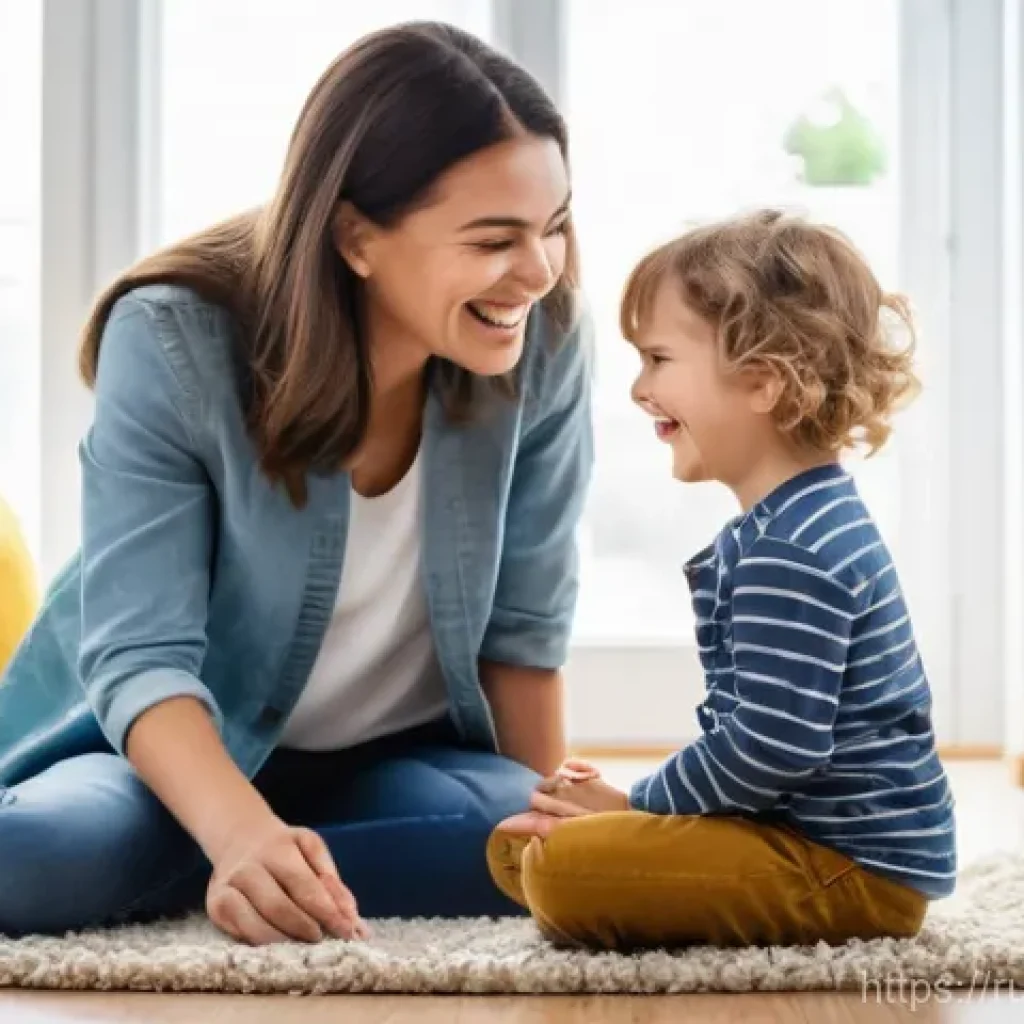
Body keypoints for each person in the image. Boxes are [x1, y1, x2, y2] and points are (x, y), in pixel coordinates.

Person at [0, 21, 594, 944]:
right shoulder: (172, 339)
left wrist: (546, 843)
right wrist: (237, 829)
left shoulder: (545, 338)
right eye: (494, 239)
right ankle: (237, 863)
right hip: (167, 758)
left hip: (398, 763)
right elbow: (139, 657)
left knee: (511, 845)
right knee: (33, 859)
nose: (538, 270)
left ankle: (230, 879)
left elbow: (524, 630)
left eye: (553, 226)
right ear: (356, 235)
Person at [488, 210, 956, 951]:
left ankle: (581, 863)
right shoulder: (798, 522)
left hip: (849, 871)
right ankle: (587, 857)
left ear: (763, 381)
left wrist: (635, 808)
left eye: (659, 359)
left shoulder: (791, 550)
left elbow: (772, 747)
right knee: (549, 851)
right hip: (830, 848)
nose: (642, 390)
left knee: (559, 872)